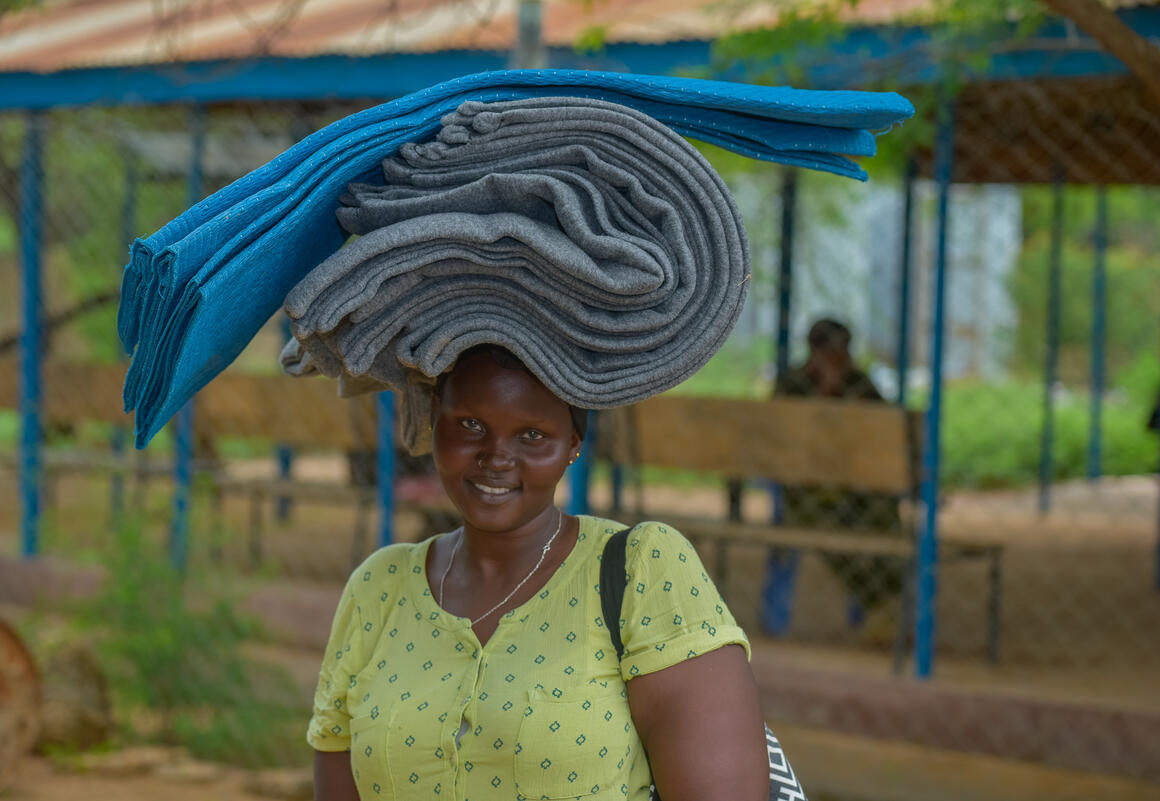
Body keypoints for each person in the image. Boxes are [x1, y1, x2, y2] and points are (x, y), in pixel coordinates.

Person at [309, 345, 769, 801]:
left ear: (572, 442)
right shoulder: (379, 588)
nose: (497, 457)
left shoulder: (640, 571)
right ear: (435, 418)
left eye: (531, 435)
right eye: (470, 425)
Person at [772, 319, 903, 613]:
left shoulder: (858, 383)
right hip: (808, 492)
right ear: (814, 352)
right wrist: (824, 397)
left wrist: (845, 394)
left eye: (843, 351)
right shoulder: (794, 385)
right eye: (832, 351)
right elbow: (776, 444)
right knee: (830, 531)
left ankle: (891, 597)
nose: (840, 358)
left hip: (857, 488)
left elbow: (887, 433)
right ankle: (877, 605)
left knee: (883, 518)